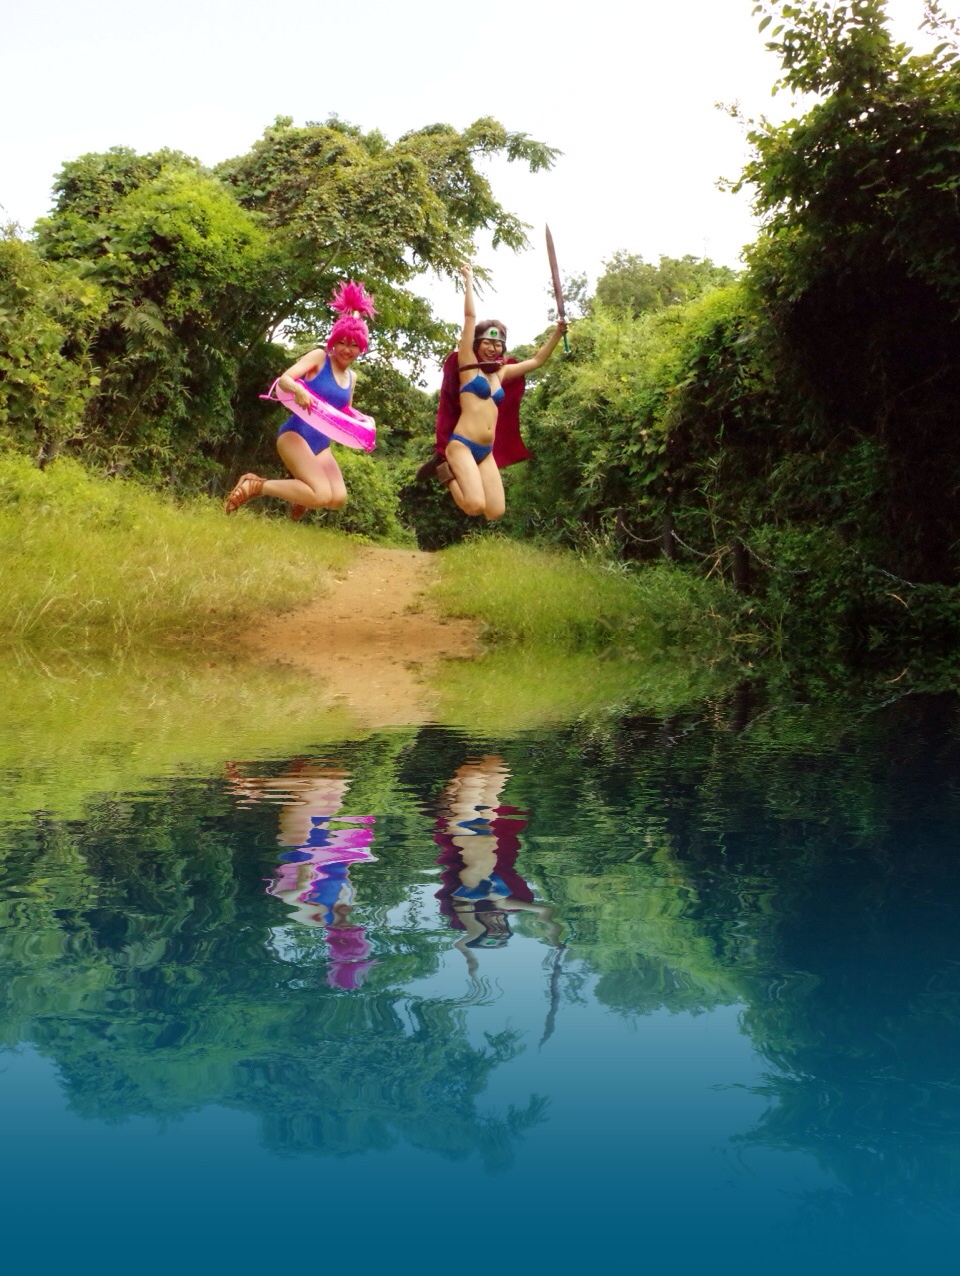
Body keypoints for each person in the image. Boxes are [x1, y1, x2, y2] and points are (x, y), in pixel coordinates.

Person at [421, 264, 567, 520]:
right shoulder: (467, 367)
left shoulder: (500, 374)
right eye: (487, 342)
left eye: (498, 343)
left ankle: (457, 476)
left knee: (495, 511)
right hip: (462, 446)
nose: (493, 348)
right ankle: (443, 472)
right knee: (474, 505)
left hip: (485, 450)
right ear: (477, 344)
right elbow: (469, 318)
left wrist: (556, 334)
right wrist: (469, 279)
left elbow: (536, 362)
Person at [225, 281, 376, 520]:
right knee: (320, 495)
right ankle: (256, 485)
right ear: (333, 342)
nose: (347, 350)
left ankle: (300, 495)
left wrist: (365, 424)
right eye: (342, 343)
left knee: (337, 499)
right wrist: (298, 389)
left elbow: (344, 411)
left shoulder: (351, 377)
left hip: (322, 445)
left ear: (361, 348)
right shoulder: (319, 358)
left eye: (354, 345)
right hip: (295, 435)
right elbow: (284, 379)